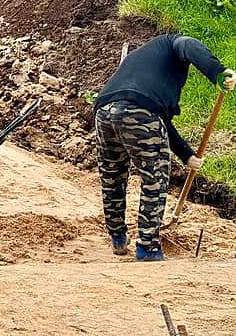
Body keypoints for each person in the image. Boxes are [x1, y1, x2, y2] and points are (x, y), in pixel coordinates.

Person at [93, 34, 235, 261]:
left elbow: (157, 118)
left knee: (113, 177)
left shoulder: (143, 60)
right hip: (139, 112)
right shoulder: (173, 42)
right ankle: (147, 247)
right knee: (154, 178)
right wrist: (218, 72)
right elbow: (188, 45)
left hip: (104, 112)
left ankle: (118, 239)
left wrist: (186, 155)